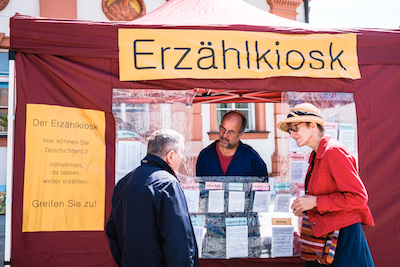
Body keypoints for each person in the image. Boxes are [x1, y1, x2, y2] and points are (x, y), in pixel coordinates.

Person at [277, 103, 374, 266]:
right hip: (326, 234)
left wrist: (315, 202)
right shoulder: (316, 154)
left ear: (313, 125)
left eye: (295, 128)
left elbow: (359, 198)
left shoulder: (333, 151)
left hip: (343, 236)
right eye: (290, 130)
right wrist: (306, 204)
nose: (292, 134)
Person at [106, 129, 199, 267]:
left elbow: (112, 232)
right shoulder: (168, 184)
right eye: (181, 153)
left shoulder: (124, 182)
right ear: (171, 156)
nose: (182, 158)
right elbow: (179, 241)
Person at [196, 110, 268, 178]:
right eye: (222, 129)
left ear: (241, 134)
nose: (224, 135)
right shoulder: (205, 155)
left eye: (231, 132)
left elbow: (263, 188)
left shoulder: (252, 158)